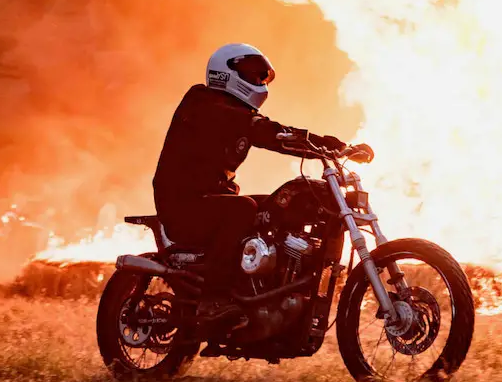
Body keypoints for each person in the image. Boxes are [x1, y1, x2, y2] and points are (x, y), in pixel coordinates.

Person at [152, 43, 372, 322]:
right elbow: (265, 130)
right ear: (226, 73)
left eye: (261, 77)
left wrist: (341, 149)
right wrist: (318, 141)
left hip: (212, 199)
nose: (258, 82)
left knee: (276, 207)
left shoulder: (238, 113)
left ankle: (261, 288)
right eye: (253, 75)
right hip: (183, 204)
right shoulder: (204, 103)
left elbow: (257, 126)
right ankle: (213, 299)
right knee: (242, 209)